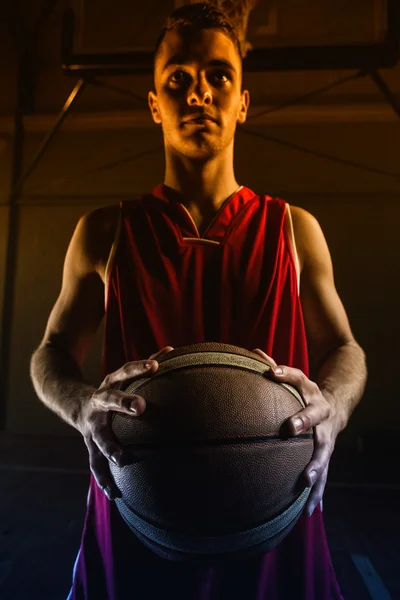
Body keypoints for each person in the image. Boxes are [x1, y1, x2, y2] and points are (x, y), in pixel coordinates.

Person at [30, 3, 367, 599]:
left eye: (218, 76)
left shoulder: (293, 228)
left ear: (243, 101)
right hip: (139, 502)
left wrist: (334, 408)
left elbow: (344, 346)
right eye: (178, 80)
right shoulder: (105, 231)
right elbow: (52, 350)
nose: (199, 93)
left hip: (272, 503)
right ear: (154, 103)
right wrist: (83, 405)